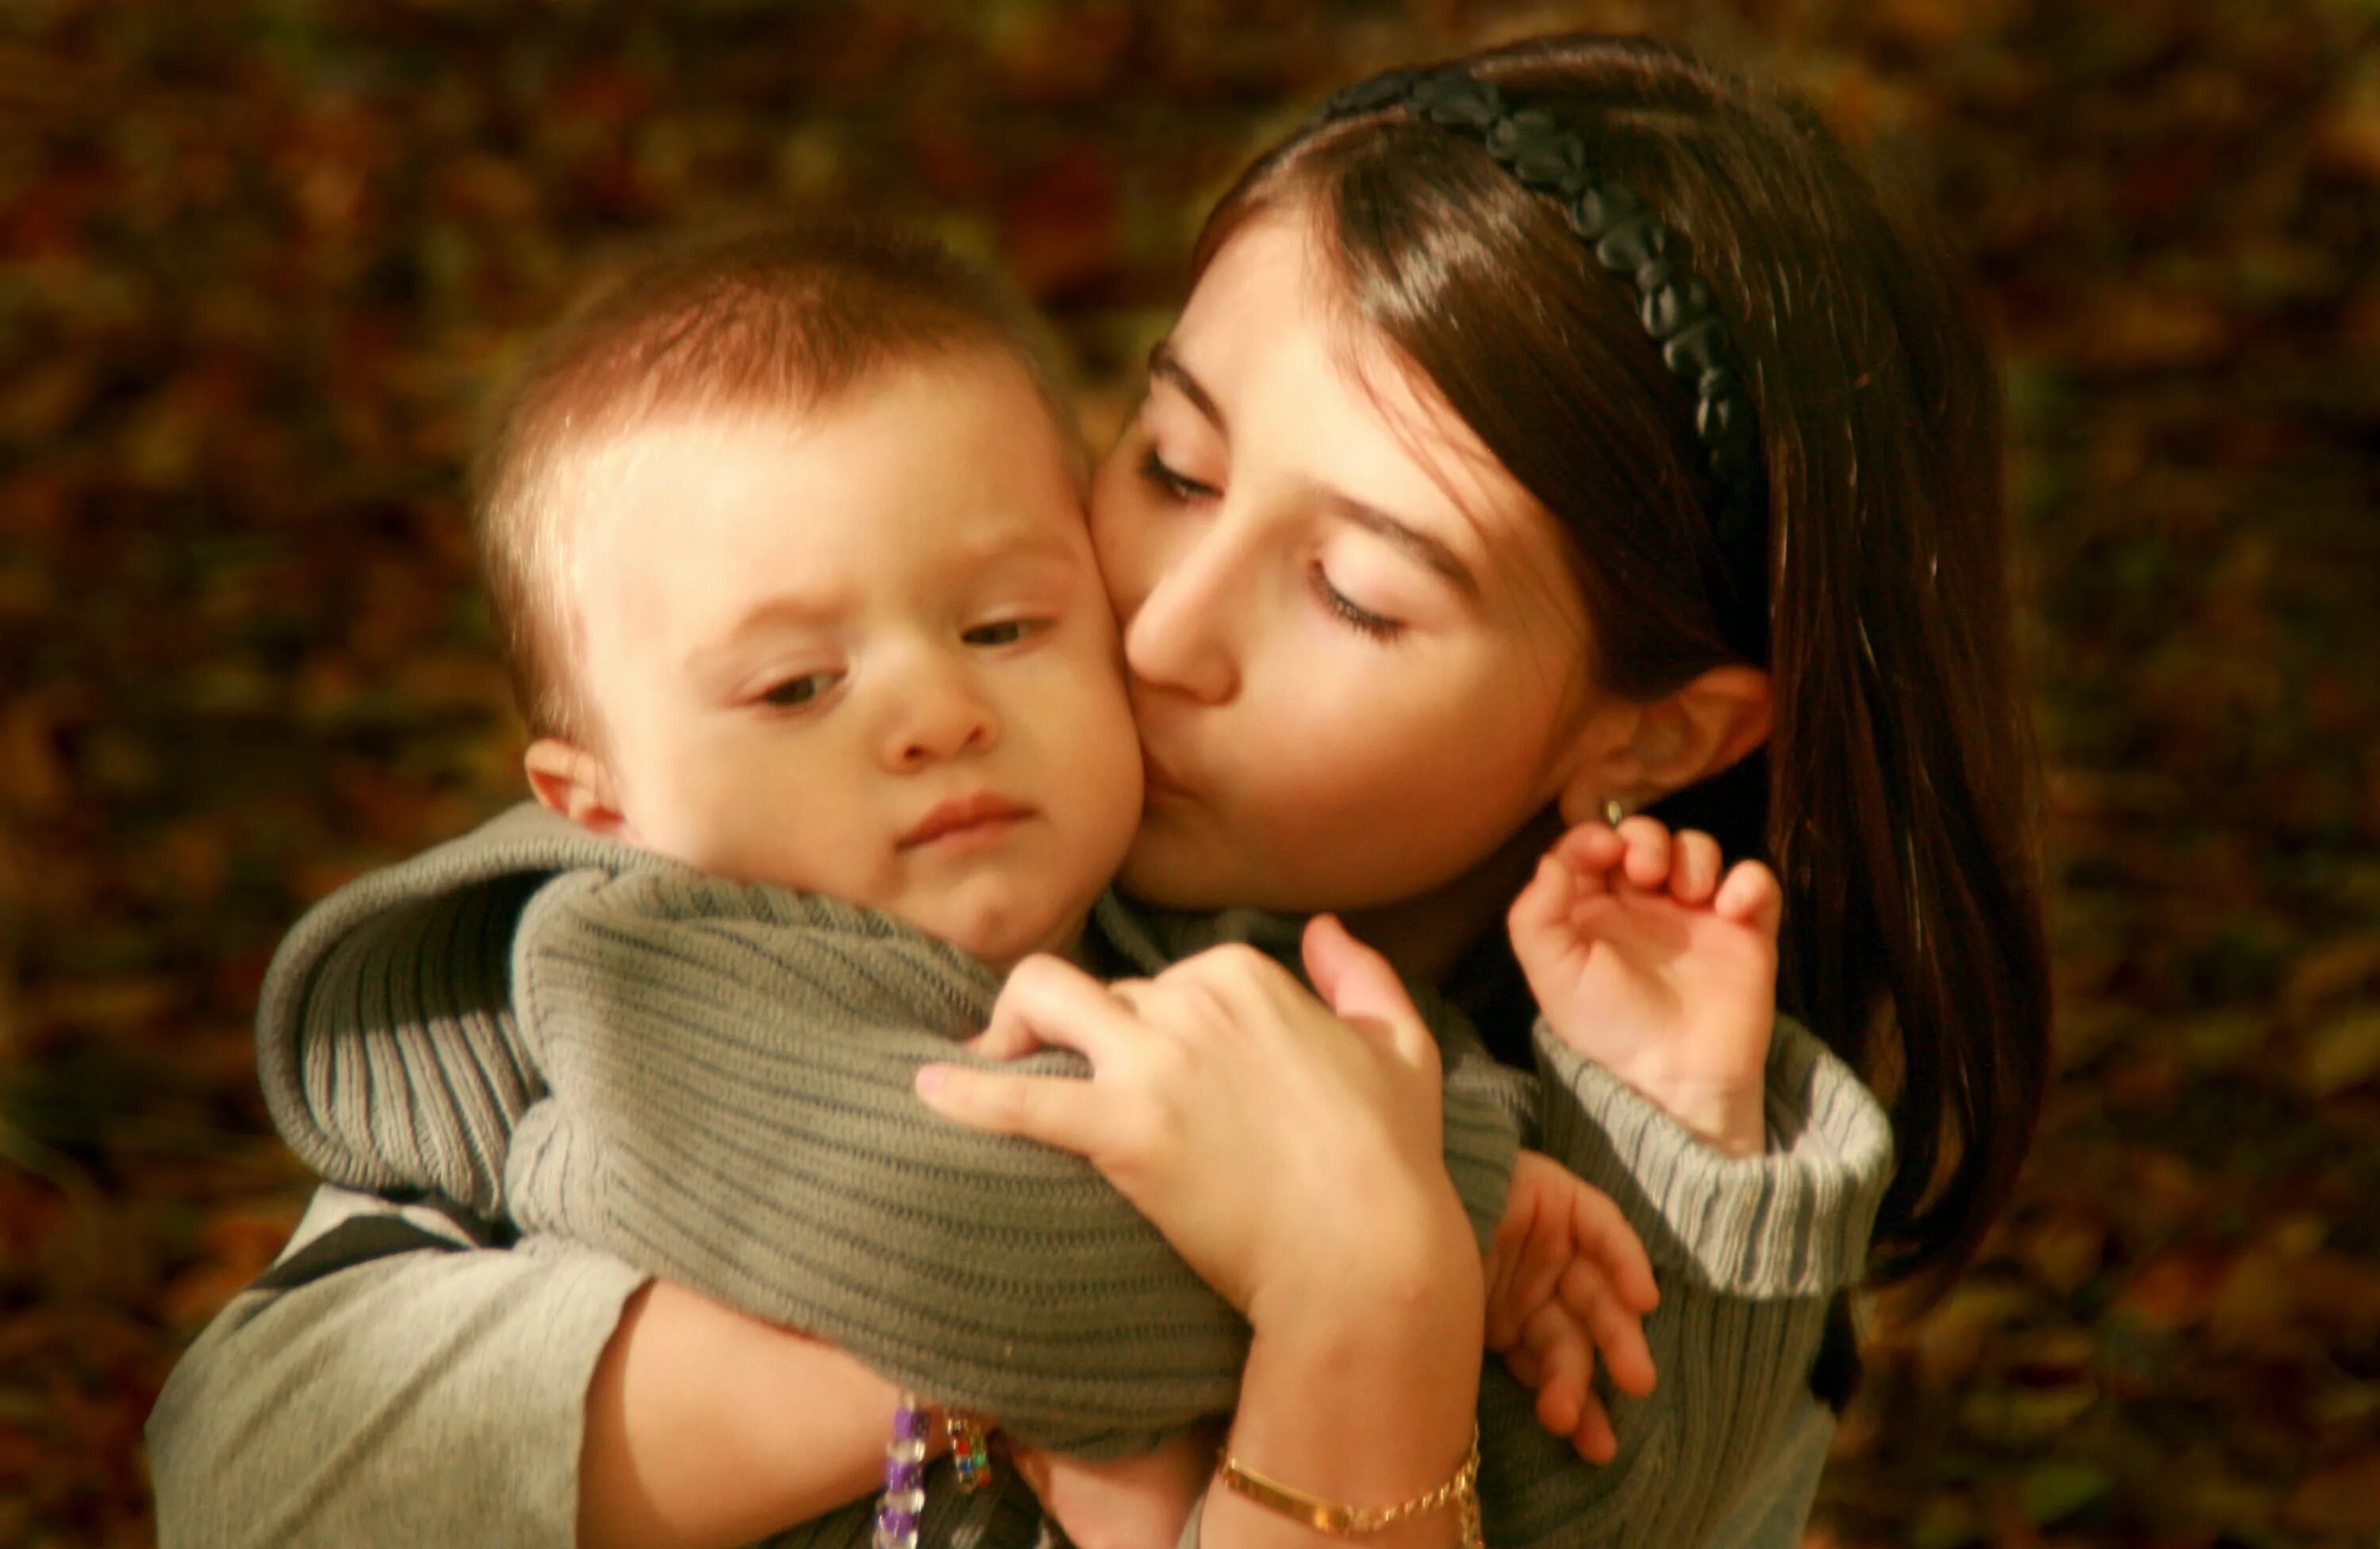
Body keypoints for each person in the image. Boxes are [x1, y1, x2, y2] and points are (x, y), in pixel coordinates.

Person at [148, 30, 2048, 1549]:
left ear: (1655, 736)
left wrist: (1620, 1176)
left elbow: (1606, 1491)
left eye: (1355, 593)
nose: (1157, 633)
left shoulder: (1636, 1183)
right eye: (1174, 461)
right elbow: (264, 1472)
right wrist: (1359, 1250)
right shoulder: (740, 873)